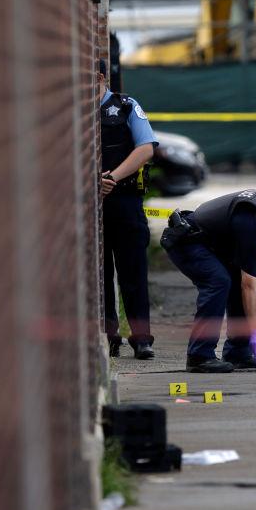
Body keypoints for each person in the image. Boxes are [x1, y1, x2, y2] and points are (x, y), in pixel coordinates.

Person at [161, 189, 256, 373]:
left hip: (208, 243)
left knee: (235, 278)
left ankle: (238, 352)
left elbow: (247, 240)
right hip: (187, 241)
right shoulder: (255, 219)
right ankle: (199, 356)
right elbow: (249, 286)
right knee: (219, 281)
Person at [98, 59, 157, 359]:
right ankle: (110, 336)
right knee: (101, 275)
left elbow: (146, 148)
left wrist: (112, 177)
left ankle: (141, 338)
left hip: (124, 201)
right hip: (93, 205)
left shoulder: (125, 107)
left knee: (133, 272)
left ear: (100, 77)